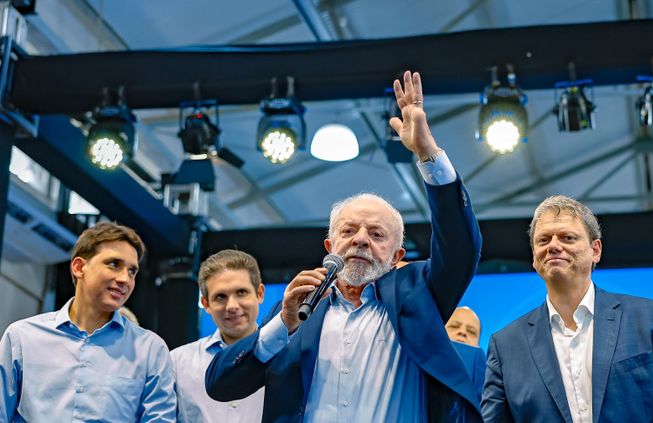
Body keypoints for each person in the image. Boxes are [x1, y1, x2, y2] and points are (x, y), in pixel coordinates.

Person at [205, 70, 483, 422]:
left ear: (398, 256)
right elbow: (221, 385)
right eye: (349, 230)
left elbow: (460, 246)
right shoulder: (298, 311)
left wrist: (428, 153)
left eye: (377, 234)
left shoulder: (418, 294)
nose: (361, 239)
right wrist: (283, 324)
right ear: (329, 245)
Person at [482, 195, 653, 422]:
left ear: (595, 250)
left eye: (568, 237)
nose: (554, 246)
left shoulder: (650, 320)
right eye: (543, 240)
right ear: (534, 257)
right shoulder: (505, 346)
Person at [0, 222, 176, 422]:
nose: (125, 279)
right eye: (114, 264)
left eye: (132, 271)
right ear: (79, 267)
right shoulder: (22, 338)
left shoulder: (150, 350)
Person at [171, 249, 266, 422]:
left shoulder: (285, 357)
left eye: (241, 292)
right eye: (220, 297)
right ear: (206, 304)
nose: (232, 306)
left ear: (259, 294)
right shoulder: (177, 362)